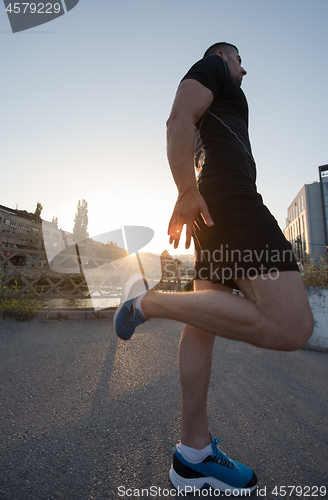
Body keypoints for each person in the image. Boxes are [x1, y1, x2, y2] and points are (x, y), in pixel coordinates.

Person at [113, 42, 314, 494]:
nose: (246, 68)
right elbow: (177, 119)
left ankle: (192, 455)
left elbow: (194, 133)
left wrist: (193, 193)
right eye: (241, 59)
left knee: (203, 325)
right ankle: (148, 302)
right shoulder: (215, 67)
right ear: (225, 56)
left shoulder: (223, 98)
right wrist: (187, 190)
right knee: (292, 326)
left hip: (215, 208)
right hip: (233, 203)